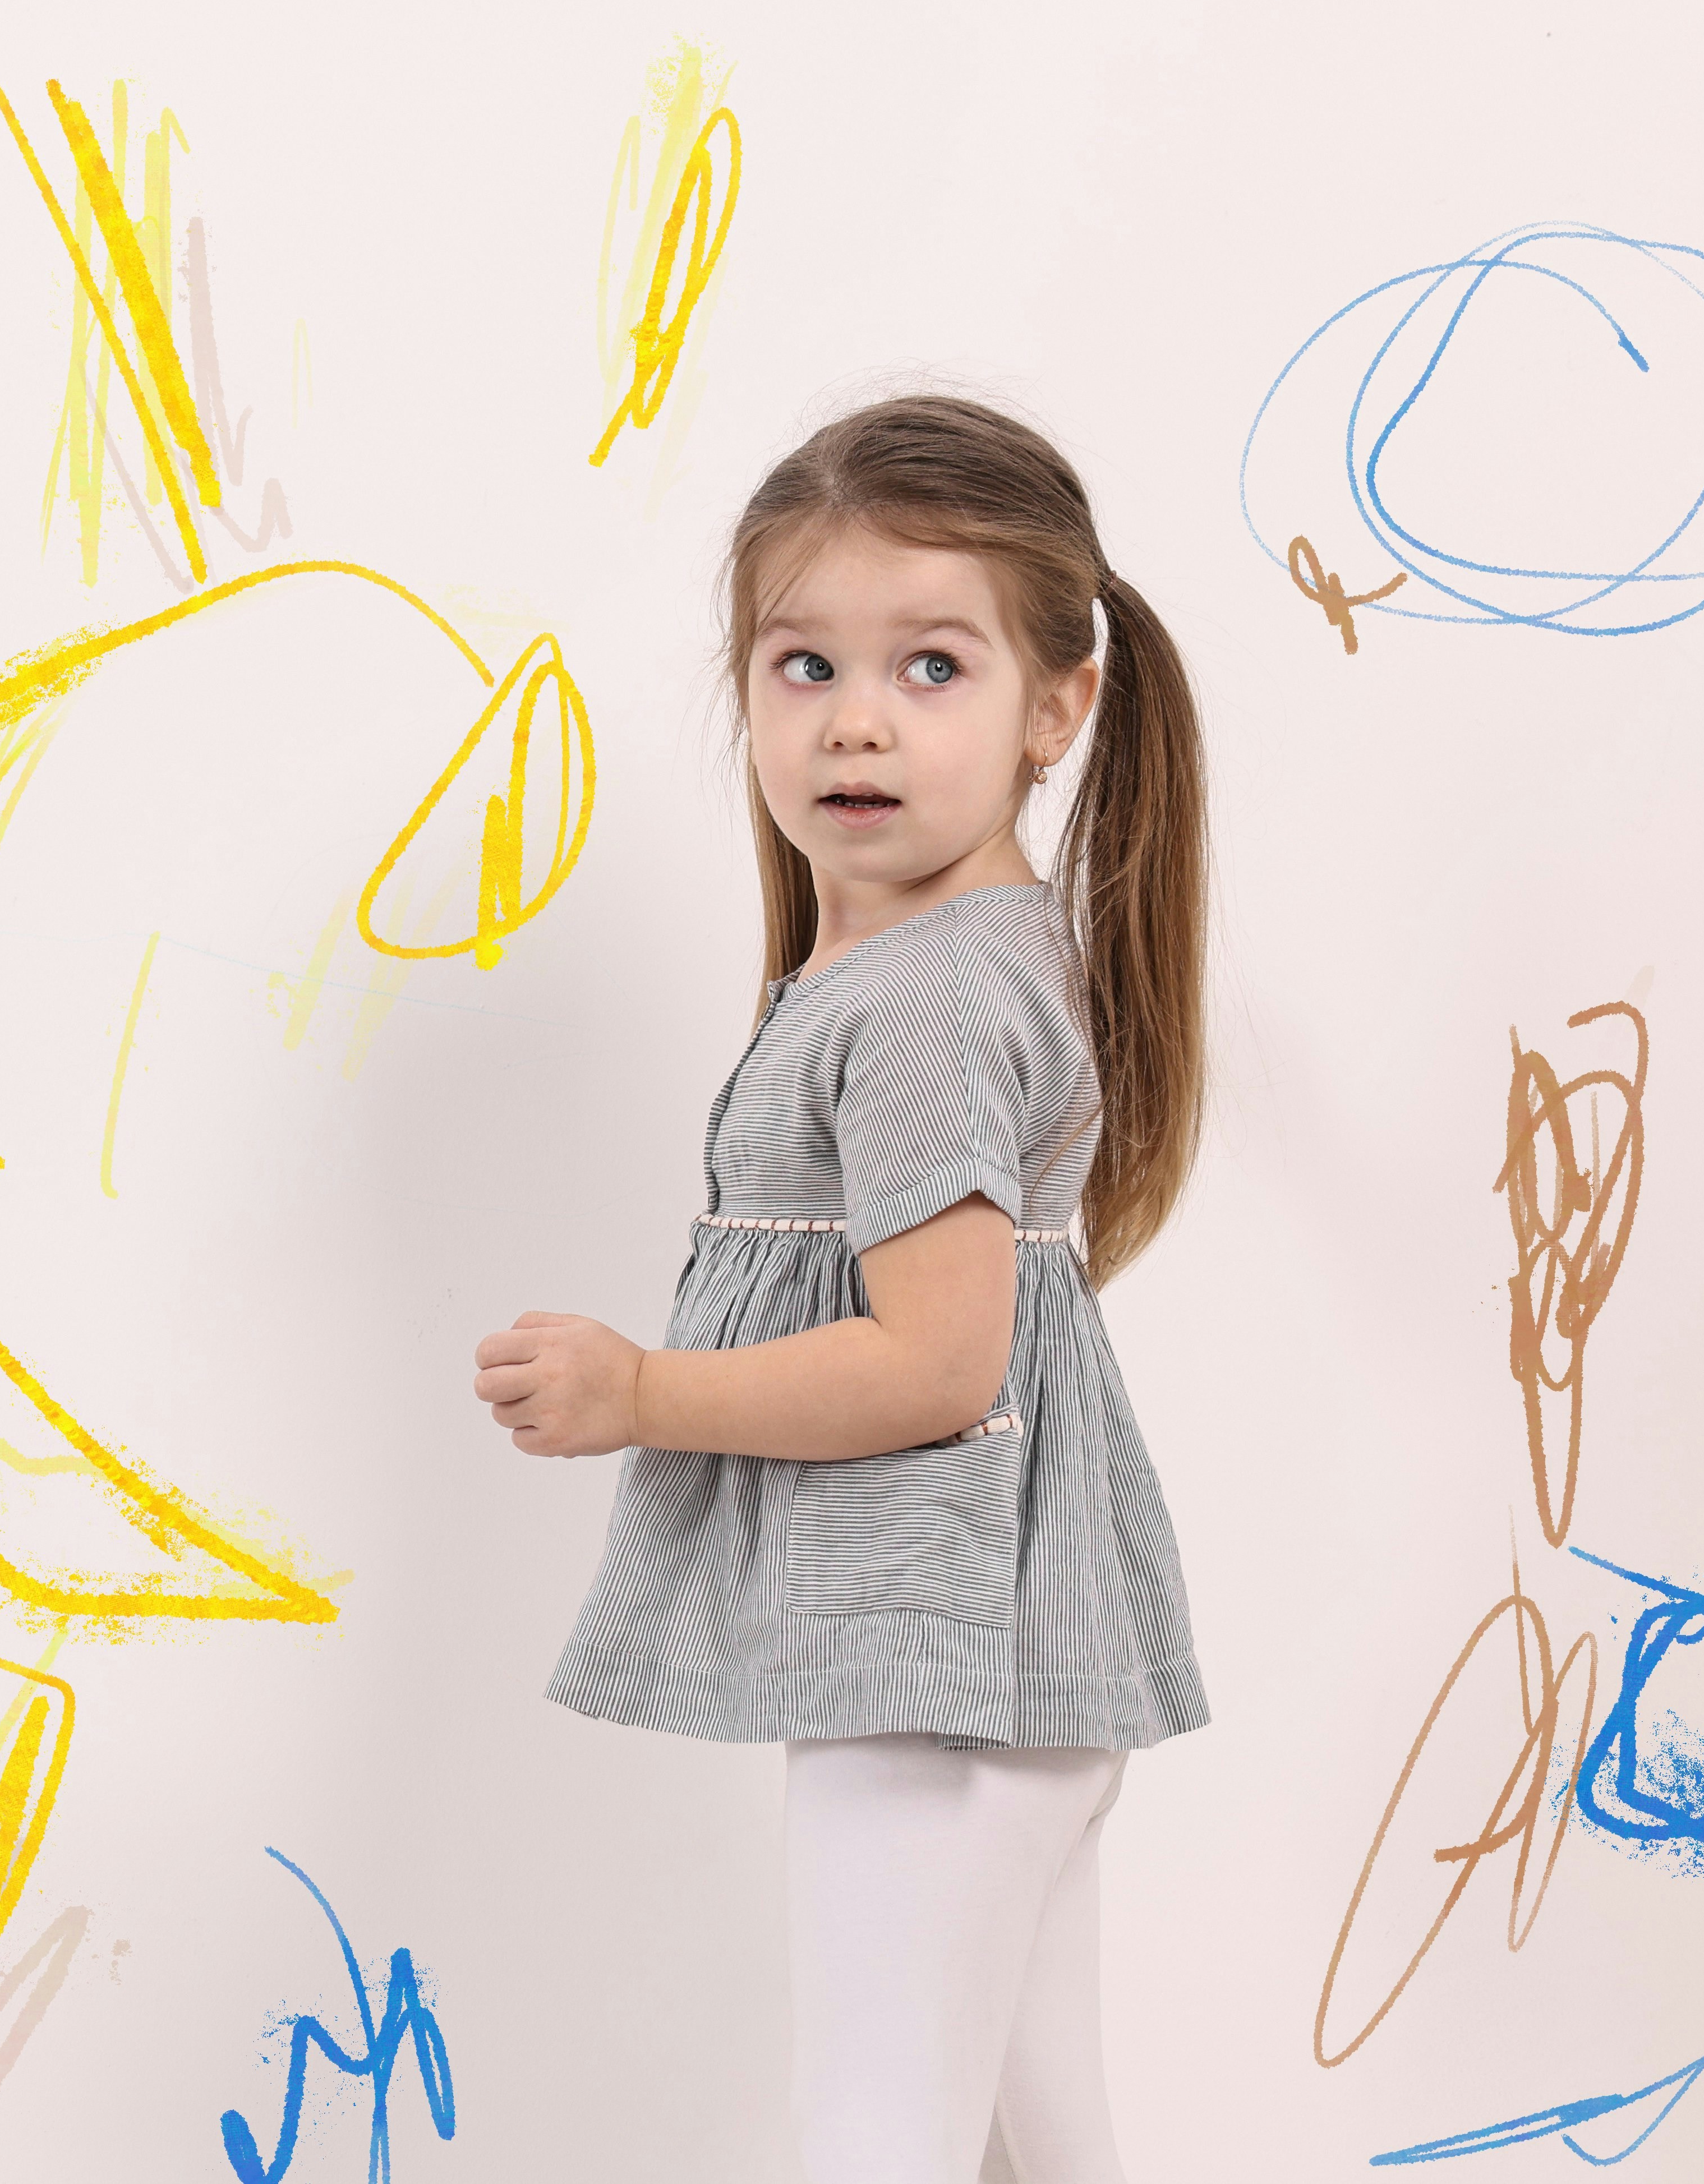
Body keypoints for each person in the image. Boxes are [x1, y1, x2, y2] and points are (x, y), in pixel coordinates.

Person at [472, 394, 1212, 2183]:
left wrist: (641, 1394)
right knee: (1042, 2138)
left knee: (882, 2132)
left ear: (1061, 704)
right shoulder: (959, 960)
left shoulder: (928, 1003)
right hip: (1001, 1666)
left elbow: (939, 1365)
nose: (856, 718)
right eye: (803, 665)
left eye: (932, 667)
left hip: (931, 1664)